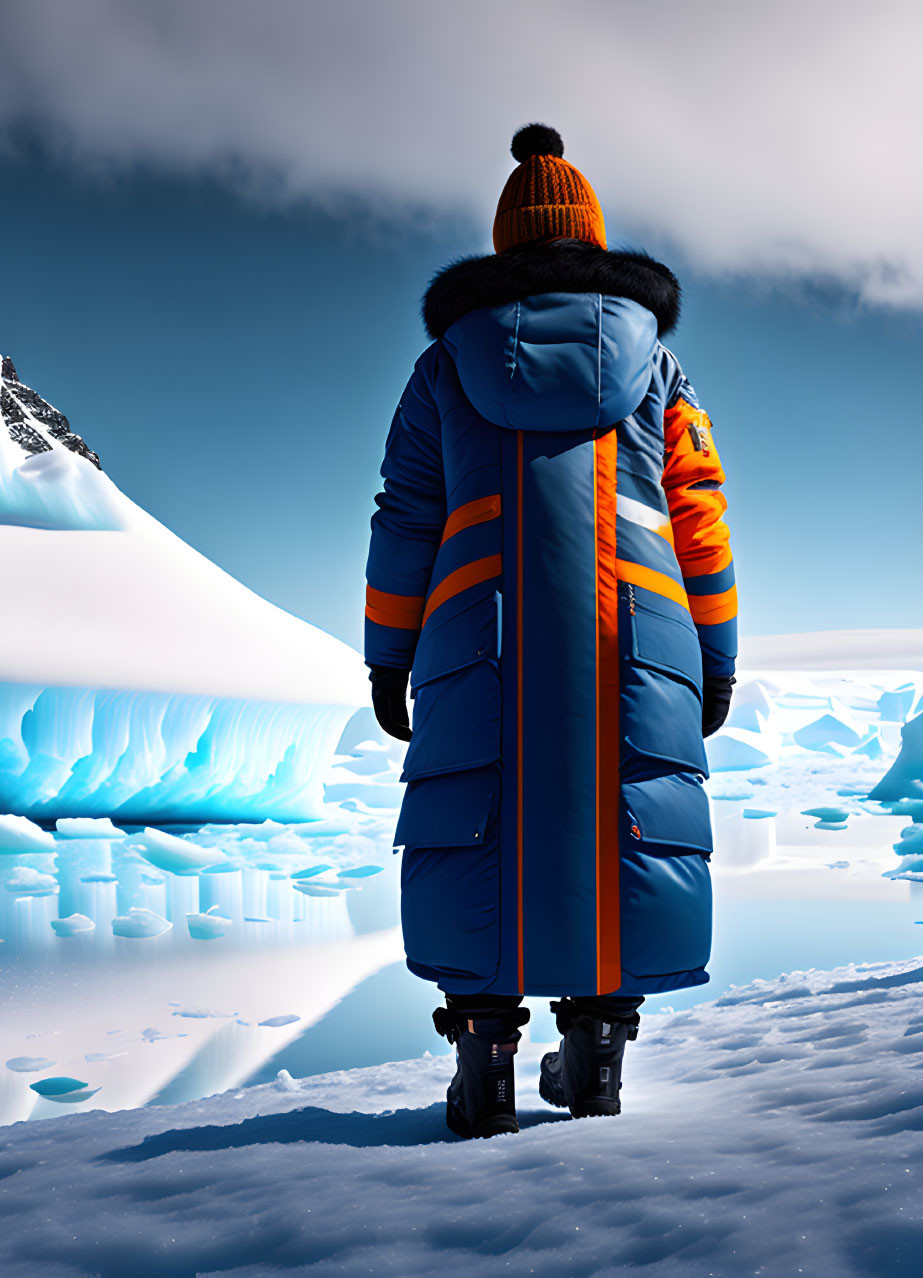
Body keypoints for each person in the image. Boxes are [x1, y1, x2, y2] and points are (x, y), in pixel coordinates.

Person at [364, 124, 737, 1138]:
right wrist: (714, 656)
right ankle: (595, 1060)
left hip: (472, 636)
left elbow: (405, 515)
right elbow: (697, 515)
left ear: (502, 241)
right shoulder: (657, 369)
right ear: (590, 238)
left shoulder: (443, 365)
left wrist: (386, 654)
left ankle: (483, 1068)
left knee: (478, 823)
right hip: (635, 637)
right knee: (620, 822)